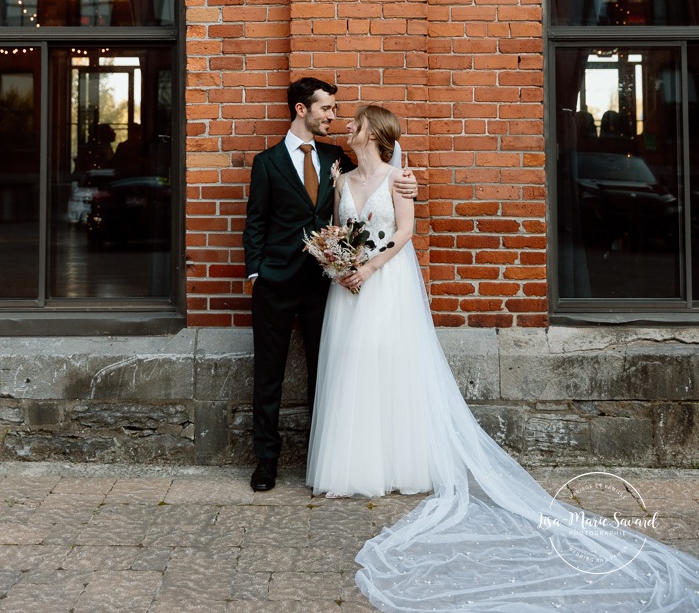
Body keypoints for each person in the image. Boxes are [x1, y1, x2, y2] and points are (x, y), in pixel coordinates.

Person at [307, 105, 699, 612]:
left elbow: (405, 234)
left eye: (356, 124)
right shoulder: (341, 181)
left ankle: (395, 463)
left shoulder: (401, 179)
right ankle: (349, 469)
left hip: (386, 283)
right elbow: (341, 233)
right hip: (350, 288)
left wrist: (372, 267)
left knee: (391, 367)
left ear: (375, 134)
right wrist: (342, 265)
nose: (348, 129)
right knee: (351, 370)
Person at [242, 78, 417, 494]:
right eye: (327, 109)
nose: (333, 117)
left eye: (337, 112)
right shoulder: (266, 163)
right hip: (274, 284)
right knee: (268, 375)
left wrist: (408, 184)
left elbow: (376, 187)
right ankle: (266, 460)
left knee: (329, 375)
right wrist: (256, 275)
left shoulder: (337, 158)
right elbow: (255, 224)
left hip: (326, 287)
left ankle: (322, 458)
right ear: (302, 110)